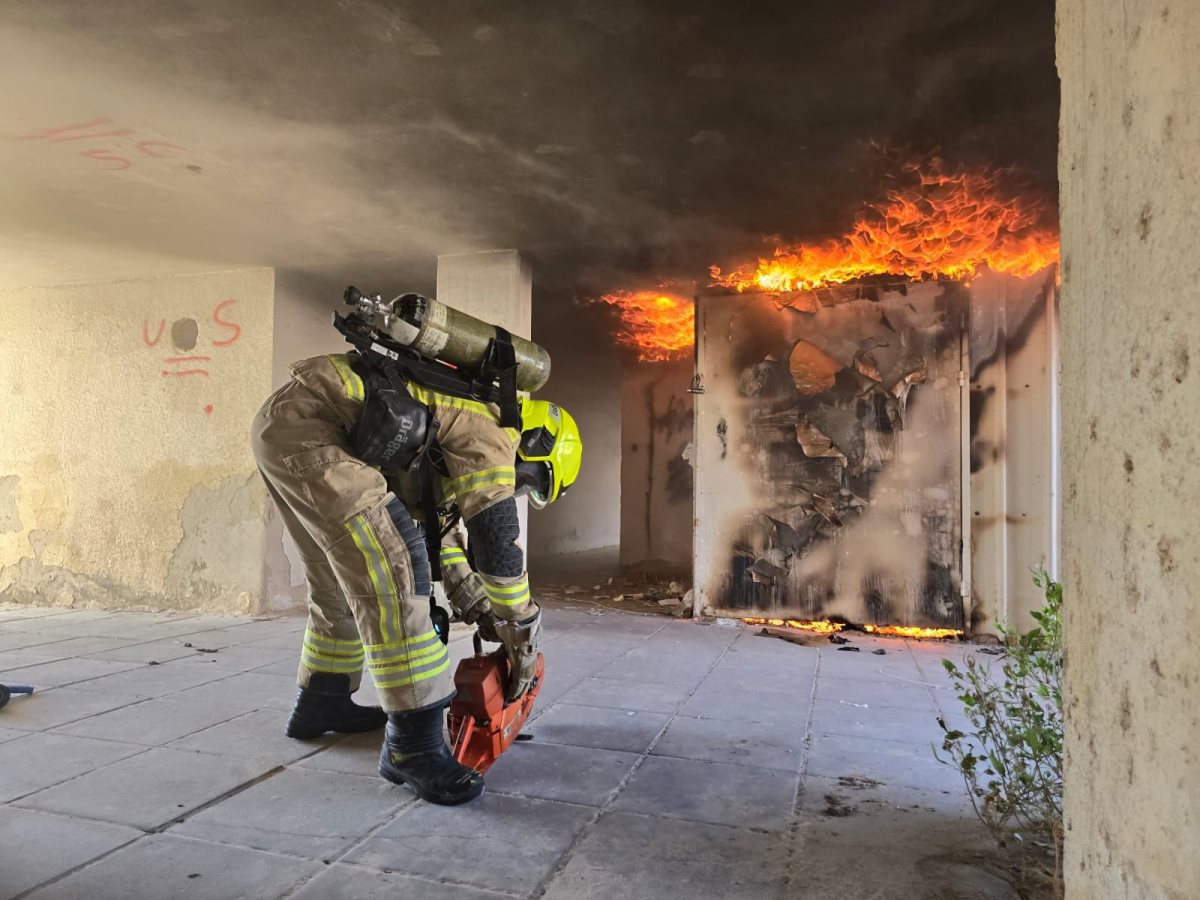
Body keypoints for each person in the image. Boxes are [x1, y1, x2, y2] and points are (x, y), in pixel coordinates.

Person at [251, 347, 581, 805]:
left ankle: (322, 700)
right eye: (530, 482)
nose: (518, 490)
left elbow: (437, 537)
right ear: (537, 446)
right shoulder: (492, 430)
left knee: (339, 578)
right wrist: (520, 628)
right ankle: (413, 747)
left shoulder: (452, 425)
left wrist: (480, 606)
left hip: (287, 425)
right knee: (396, 572)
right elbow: (496, 546)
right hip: (316, 432)